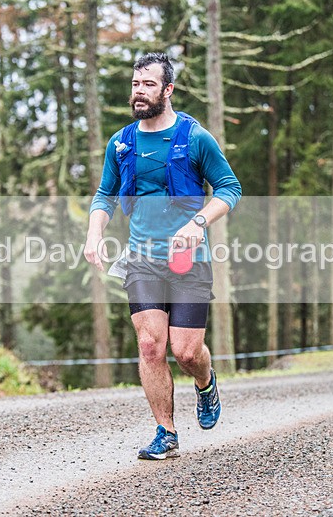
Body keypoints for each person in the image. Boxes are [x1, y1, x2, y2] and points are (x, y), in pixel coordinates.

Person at [84, 52, 241, 460]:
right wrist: (94, 232)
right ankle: (165, 432)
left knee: (186, 352)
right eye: (135, 84)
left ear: (167, 90)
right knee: (151, 345)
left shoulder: (195, 138)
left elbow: (229, 188)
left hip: (189, 260)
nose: (139, 91)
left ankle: (205, 383)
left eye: (148, 84)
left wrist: (197, 225)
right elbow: (105, 194)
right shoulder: (121, 142)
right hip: (141, 259)